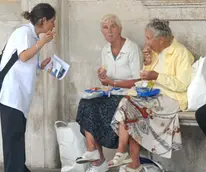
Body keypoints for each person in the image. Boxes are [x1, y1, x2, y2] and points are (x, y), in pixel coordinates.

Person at [110, 18, 194, 172]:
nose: (146, 42)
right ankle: (129, 159)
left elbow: (182, 84)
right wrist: (148, 63)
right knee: (128, 105)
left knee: (130, 106)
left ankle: (124, 154)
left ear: (161, 39)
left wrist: (156, 76)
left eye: (148, 38)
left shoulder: (181, 53)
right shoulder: (156, 52)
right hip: (153, 96)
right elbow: (146, 79)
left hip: (173, 98)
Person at [76, 14, 143, 172]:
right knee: (86, 104)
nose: (109, 31)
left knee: (113, 107)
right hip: (111, 93)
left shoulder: (131, 48)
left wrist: (112, 83)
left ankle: (121, 157)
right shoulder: (105, 50)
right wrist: (103, 78)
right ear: (102, 31)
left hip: (129, 94)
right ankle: (95, 155)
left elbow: (138, 80)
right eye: (105, 28)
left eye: (113, 26)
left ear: (120, 29)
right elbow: (106, 80)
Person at [0, 3, 56, 172]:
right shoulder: (24, 32)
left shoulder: (33, 36)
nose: (53, 25)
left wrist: (40, 65)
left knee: (16, 143)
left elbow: (24, 63)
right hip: (12, 97)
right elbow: (23, 56)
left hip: (20, 99)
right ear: (43, 20)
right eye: (52, 21)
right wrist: (42, 43)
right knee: (13, 145)